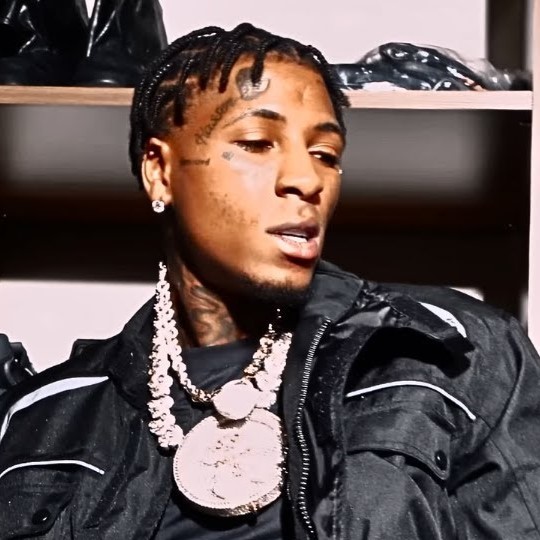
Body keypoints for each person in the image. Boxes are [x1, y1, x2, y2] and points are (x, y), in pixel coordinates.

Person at [1, 22, 540, 540]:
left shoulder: (451, 354)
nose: (307, 180)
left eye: (325, 155)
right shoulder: (48, 414)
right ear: (159, 171)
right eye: (258, 142)